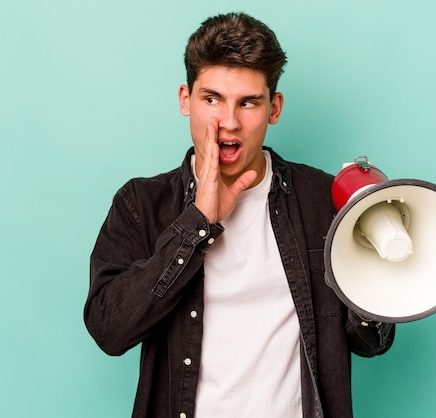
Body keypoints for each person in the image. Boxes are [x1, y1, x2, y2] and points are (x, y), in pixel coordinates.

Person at [84, 12, 394, 418]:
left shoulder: (323, 198)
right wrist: (198, 221)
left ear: (274, 108)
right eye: (211, 99)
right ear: (185, 99)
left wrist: (380, 274)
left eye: (248, 102)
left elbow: (371, 343)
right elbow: (110, 329)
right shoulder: (141, 203)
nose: (228, 123)